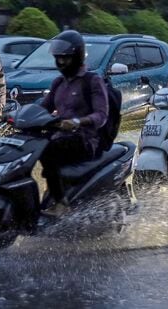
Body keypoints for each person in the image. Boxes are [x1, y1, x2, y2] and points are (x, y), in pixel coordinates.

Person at [39, 30, 108, 215]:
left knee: (49, 150)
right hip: (62, 136)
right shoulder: (58, 83)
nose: (61, 62)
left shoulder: (92, 81)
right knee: (35, 146)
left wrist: (77, 122)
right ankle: (52, 190)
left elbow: (101, 115)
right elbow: (43, 108)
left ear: (77, 56)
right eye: (58, 58)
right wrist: (17, 115)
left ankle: (61, 203)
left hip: (85, 140)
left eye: (65, 58)